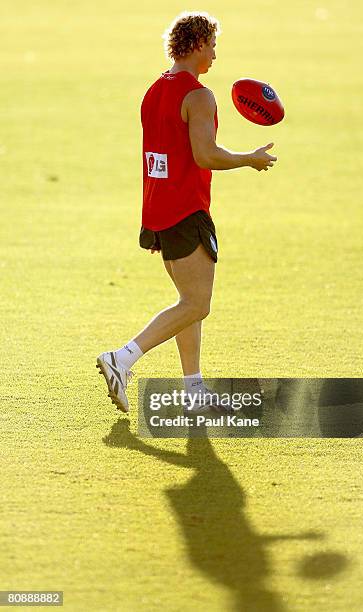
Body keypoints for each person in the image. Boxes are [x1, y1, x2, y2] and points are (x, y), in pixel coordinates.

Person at [96, 11, 277, 413]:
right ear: (196, 44)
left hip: (157, 209)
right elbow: (205, 154)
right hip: (186, 208)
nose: (215, 54)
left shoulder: (154, 89)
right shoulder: (199, 95)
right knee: (198, 304)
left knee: (186, 302)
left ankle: (193, 390)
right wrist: (249, 158)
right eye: (212, 45)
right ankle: (121, 359)